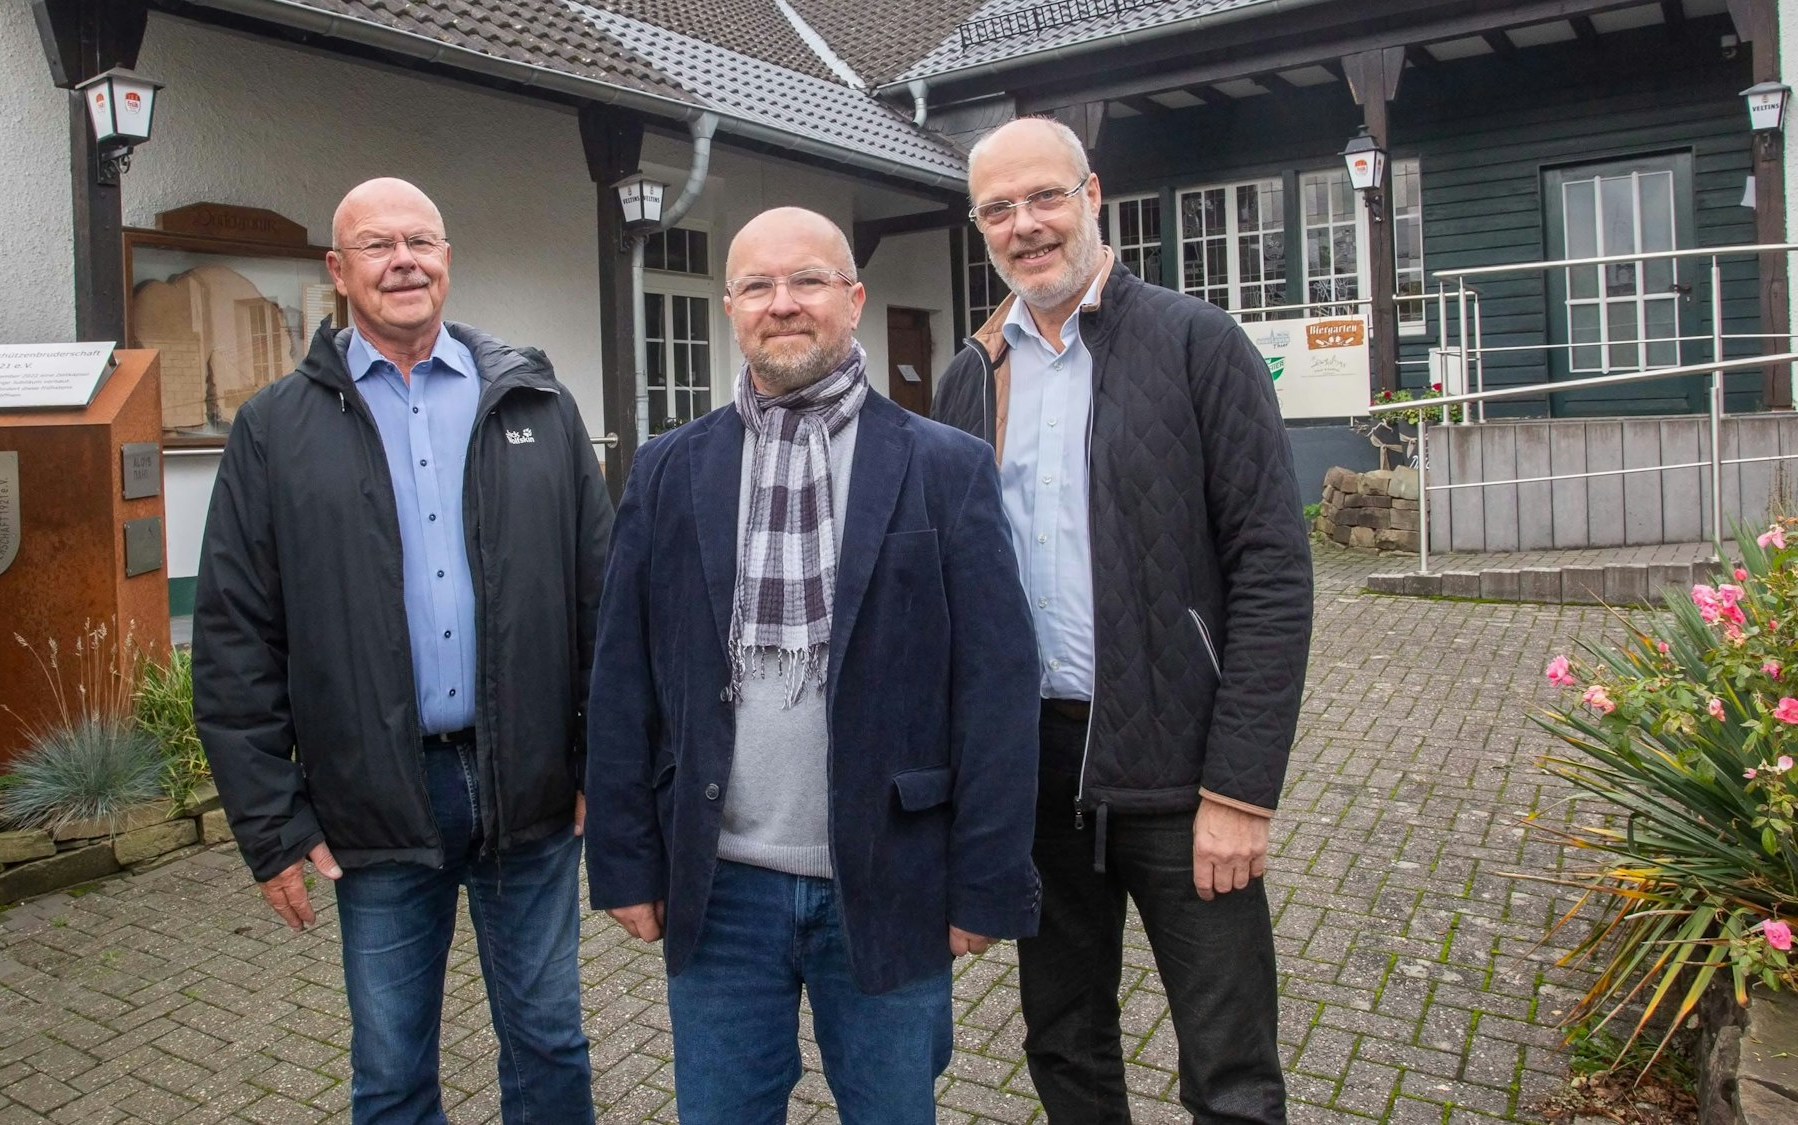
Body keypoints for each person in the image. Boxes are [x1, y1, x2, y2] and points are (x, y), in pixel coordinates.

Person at [584, 207, 1041, 1125]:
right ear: (731, 307)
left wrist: (985, 880)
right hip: (719, 886)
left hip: (889, 876)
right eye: (757, 285)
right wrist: (626, 861)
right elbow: (622, 674)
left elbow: (996, 688)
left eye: (808, 282)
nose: (781, 303)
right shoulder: (670, 470)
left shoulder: (943, 467)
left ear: (854, 298)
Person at [192, 177, 610, 1125]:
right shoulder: (273, 430)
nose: (404, 261)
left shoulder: (536, 402)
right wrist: (273, 825)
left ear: (449, 260)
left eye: (421, 240)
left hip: (531, 787)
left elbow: (603, 599)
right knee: (389, 1069)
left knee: (550, 1042)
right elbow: (234, 640)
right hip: (374, 799)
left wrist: (598, 761)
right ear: (338, 273)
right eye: (377, 246)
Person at [931, 118, 1315, 1125]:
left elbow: (1272, 572)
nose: (1025, 226)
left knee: (1228, 1069)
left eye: (1044, 197)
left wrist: (1241, 789)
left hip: (1184, 774)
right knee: (1062, 1044)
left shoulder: (1197, 345)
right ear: (979, 227)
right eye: (997, 210)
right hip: (1037, 775)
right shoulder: (970, 374)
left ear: (1091, 195)